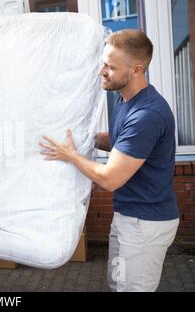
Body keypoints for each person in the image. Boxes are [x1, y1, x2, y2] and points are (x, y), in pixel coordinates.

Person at [40, 29, 179, 292]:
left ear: (137, 70)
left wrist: (70, 155)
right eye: (103, 62)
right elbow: (122, 142)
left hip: (144, 224)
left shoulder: (147, 114)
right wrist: (88, 138)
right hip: (129, 217)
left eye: (111, 67)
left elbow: (111, 178)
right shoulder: (126, 100)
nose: (101, 71)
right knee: (118, 284)